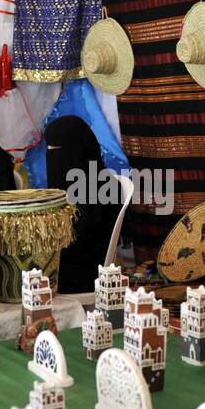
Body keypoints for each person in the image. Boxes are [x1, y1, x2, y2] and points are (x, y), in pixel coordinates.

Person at [46, 115, 120, 293]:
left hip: (83, 271)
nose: (52, 156)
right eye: (49, 149)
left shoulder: (103, 188)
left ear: (78, 149)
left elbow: (85, 239)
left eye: (58, 150)